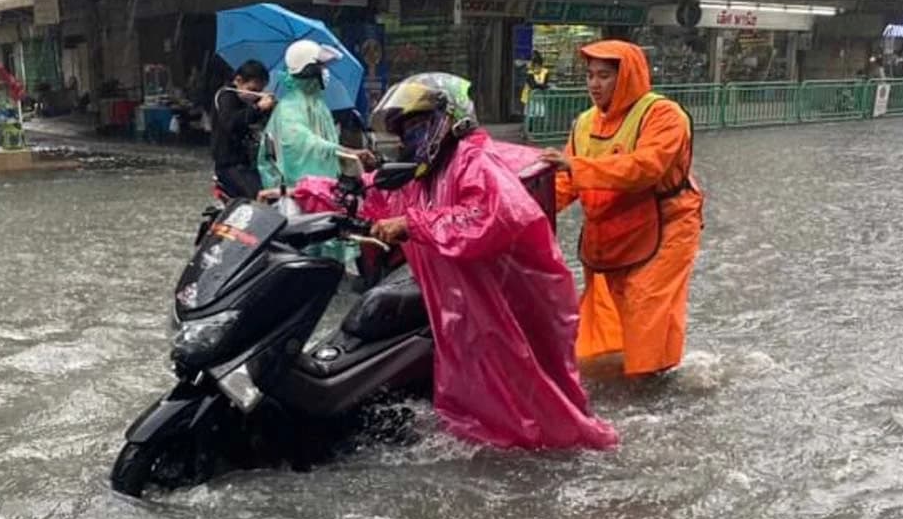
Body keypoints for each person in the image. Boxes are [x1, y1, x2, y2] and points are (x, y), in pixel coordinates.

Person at [293, 73, 617, 451]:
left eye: (419, 126)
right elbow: (376, 195)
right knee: (482, 406)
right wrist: (296, 196)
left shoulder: (475, 162)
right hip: (470, 308)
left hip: (512, 303)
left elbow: (492, 217)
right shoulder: (427, 172)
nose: (411, 139)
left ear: (448, 119)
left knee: (536, 408)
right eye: (405, 131)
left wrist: (412, 223)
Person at [541, 40, 703, 378]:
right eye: (590, 76)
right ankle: (636, 372)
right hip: (613, 233)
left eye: (604, 76)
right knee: (620, 309)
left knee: (647, 306)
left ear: (626, 76)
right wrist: (521, 211)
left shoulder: (664, 115)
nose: (594, 84)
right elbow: (566, 184)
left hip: (667, 225)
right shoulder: (585, 123)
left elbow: (646, 167)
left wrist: (576, 167)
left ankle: (652, 381)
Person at [257, 39, 374, 189]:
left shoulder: (318, 104)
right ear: (308, 70)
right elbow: (303, 143)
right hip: (297, 192)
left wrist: (348, 155)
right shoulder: (290, 107)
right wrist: (344, 151)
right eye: (321, 66)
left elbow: (326, 141)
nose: (325, 71)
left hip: (321, 189)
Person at [212, 60, 274, 199]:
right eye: (252, 90)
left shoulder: (250, 101)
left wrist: (270, 108)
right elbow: (231, 123)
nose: (255, 95)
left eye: (260, 91)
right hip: (230, 163)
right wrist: (258, 108)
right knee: (257, 196)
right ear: (238, 81)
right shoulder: (225, 96)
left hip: (250, 161)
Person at [521, 50, 550, 121]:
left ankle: (537, 127)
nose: (537, 67)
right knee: (530, 113)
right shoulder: (530, 73)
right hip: (530, 96)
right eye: (535, 65)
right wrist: (541, 86)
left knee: (540, 112)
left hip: (540, 97)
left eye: (538, 65)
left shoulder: (545, 72)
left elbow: (545, 84)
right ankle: (529, 127)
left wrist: (540, 85)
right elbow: (532, 85)